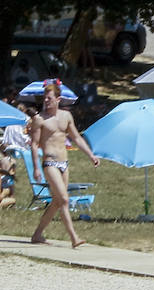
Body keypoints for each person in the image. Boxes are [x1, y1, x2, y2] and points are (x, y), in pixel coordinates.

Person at [27, 80, 100, 247]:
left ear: (58, 99)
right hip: (50, 162)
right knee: (64, 200)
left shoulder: (66, 116)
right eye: (45, 98)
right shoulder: (39, 119)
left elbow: (76, 138)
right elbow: (34, 144)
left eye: (49, 98)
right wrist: (36, 167)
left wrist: (91, 155)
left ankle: (37, 234)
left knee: (56, 202)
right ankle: (74, 238)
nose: (46, 101)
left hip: (64, 163)